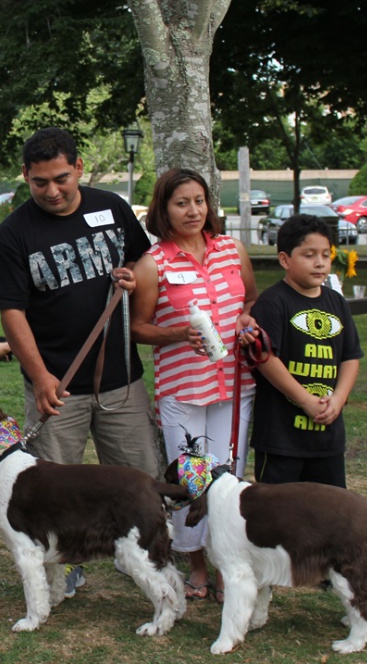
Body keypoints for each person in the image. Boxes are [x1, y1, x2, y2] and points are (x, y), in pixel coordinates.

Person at [0, 126, 159, 597]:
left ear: (79, 167)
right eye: (40, 182)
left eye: (61, 178)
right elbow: (11, 312)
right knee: (53, 492)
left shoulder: (112, 208)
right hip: (56, 387)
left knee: (141, 478)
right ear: (25, 176)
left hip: (122, 379)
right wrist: (39, 376)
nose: (53, 191)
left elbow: (145, 260)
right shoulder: (15, 233)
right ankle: (66, 567)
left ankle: (143, 555)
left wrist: (132, 279)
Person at [128, 167, 259, 604]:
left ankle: (227, 567)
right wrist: (179, 333)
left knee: (229, 479)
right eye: (181, 203)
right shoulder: (153, 263)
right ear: (164, 209)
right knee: (193, 477)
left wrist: (245, 319)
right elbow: (139, 328)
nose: (193, 210)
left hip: (234, 384)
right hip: (183, 388)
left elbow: (252, 299)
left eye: (199, 201)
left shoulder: (231, 250)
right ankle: (197, 564)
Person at [250, 213, 363, 489]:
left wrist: (338, 399)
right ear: (285, 260)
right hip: (281, 438)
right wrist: (305, 400)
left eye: (326, 254)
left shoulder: (337, 302)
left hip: (327, 438)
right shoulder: (273, 303)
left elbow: (350, 356)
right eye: (309, 255)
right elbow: (265, 358)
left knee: (329, 512)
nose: (320, 262)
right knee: (278, 515)